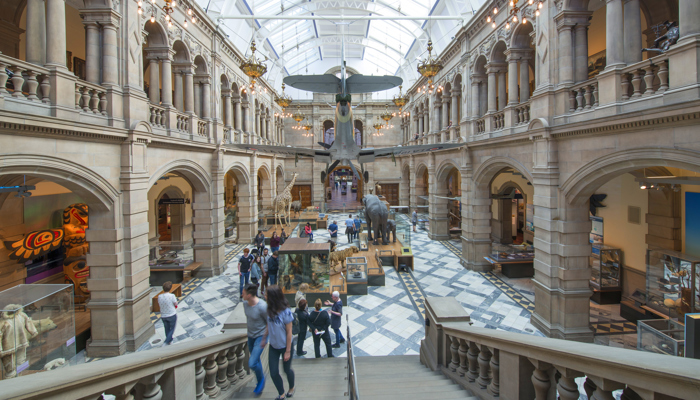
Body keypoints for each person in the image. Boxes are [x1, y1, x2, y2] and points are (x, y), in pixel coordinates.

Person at [262, 285, 295, 399]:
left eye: (266, 294)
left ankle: (291, 387)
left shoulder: (286, 312)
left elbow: (289, 332)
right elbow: (268, 323)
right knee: (273, 372)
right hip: (273, 346)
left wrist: (288, 351)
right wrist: (264, 337)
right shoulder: (269, 308)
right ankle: (281, 393)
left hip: (286, 345)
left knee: (286, 370)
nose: (264, 296)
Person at [243, 283, 267, 396]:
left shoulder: (262, 306)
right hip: (250, 336)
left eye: (243, 292)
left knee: (252, 363)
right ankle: (260, 381)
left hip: (260, 337)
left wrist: (265, 338)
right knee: (255, 360)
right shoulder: (245, 305)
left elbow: (269, 322)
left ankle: (261, 379)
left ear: (249, 295)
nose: (241, 293)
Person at [158, 281, 178, 346]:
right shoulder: (172, 296)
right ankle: (166, 342)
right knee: (172, 329)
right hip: (171, 314)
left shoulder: (160, 296)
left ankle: (170, 340)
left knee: (166, 328)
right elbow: (175, 303)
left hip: (163, 315)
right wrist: (175, 306)